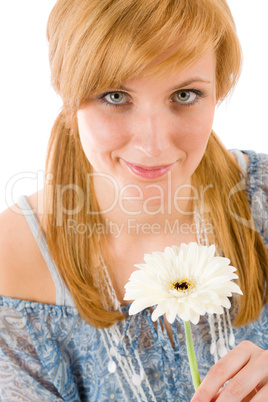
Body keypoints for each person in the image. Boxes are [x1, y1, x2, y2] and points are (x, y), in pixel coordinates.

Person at [0, 0, 267, 400]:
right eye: (114, 96)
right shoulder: (13, 256)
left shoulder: (260, 200)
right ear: (66, 91)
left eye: (185, 94)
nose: (153, 144)